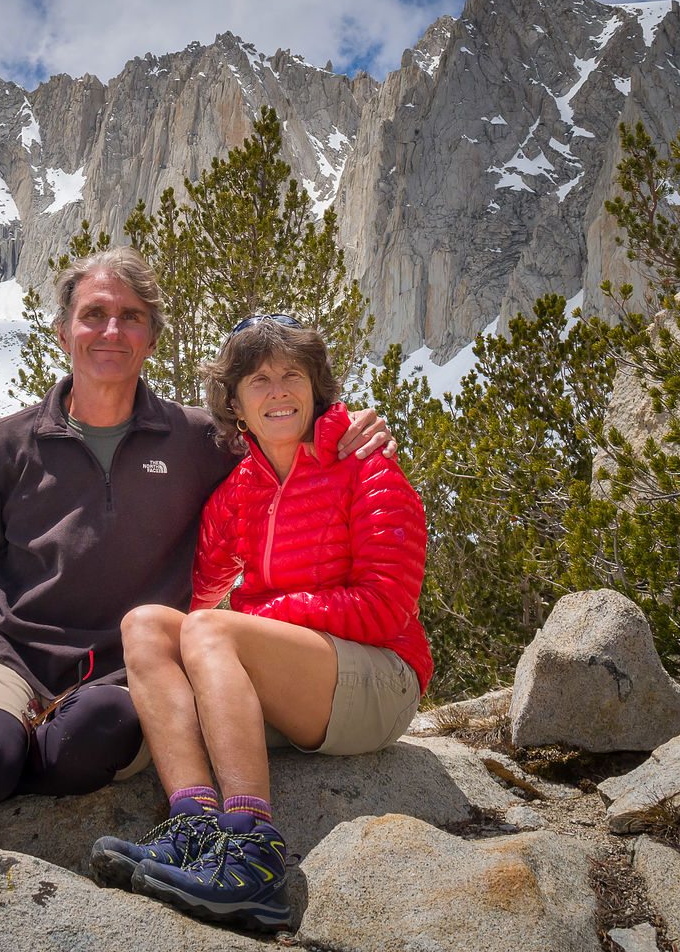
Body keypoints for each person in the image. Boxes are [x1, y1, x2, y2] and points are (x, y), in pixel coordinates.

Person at [0, 250, 395, 841]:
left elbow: (282, 441)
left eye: (132, 317)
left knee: (95, 741)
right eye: (95, 314)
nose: (112, 330)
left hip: (118, 678)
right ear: (63, 331)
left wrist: (349, 426)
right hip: (10, 658)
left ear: (152, 339)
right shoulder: (6, 445)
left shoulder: (198, 441)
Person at [87, 314, 431, 932]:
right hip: (299, 683)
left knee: (213, 630)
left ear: (315, 388)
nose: (277, 392)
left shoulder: (365, 465)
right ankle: (194, 829)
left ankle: (253, 853)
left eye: (292, 376)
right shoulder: (239, 490)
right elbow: (199, 593)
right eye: (258, 380)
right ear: (235, 403)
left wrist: (252, 620)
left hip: (381, 679)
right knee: (145, 625)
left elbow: (387, 608)